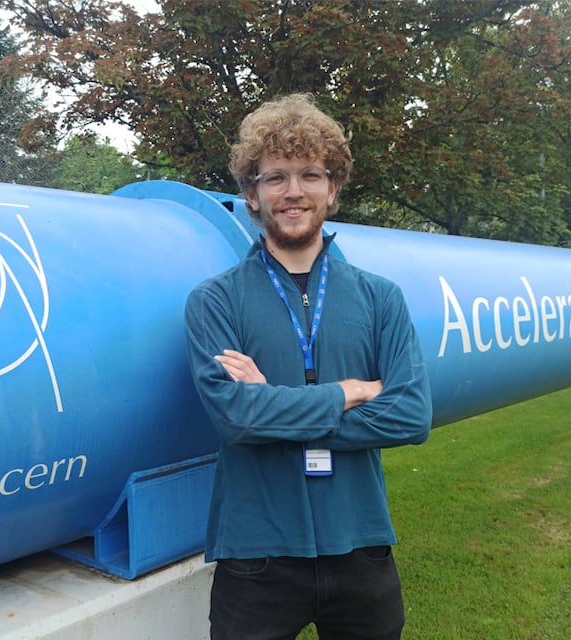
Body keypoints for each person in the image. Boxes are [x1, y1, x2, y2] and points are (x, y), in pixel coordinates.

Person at [183, 92, 433, 640]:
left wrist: (274, 409)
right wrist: (346, 392)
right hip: (256, 557)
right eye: (275, 178)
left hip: (361, 545)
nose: (293, 192)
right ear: (251, 195)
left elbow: (411, 416)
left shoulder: (379, 298)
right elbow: (237, 419)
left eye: (309, 175)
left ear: (333, 188)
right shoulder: (215, 301)